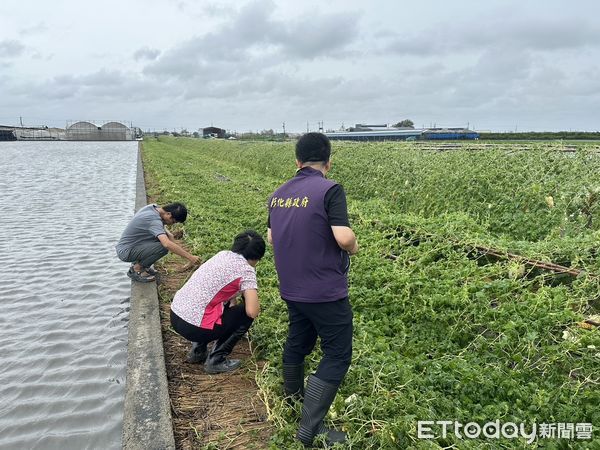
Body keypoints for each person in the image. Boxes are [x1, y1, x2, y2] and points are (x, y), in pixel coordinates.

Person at [267, 132, 358, 446]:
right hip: (324, 290)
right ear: (328, 162)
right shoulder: (330, 189)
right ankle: (311, 428)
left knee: (298, 341)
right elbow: (344, 237)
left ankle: (293, 403)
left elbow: (270, 238)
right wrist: (354, 246)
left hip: (292, 287)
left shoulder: (278, 194)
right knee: (337, 353)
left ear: (297, 161)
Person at [170, 230, 265, 374]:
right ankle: (216, 360)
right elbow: (253, 310)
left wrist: (231, 300)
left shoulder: (222, 254)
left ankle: (198, 351)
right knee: (245, 313)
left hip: (176, 315)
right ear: (256, 257)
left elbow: (222, 286)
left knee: (216, 302)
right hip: (193, 326)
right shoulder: (246, 271)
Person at [116, 202, 200, 282]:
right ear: (168, 214)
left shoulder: (153, 208)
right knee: (163, 247)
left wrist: (169, 234)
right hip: (126, 252)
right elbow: (166, 244)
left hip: (130, 246)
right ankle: (136, 269)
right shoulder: (154, 221)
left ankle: (142, 265)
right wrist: (190, 257)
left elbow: (161, 227)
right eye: (173, 221)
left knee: (162, 238)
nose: (172, 224)